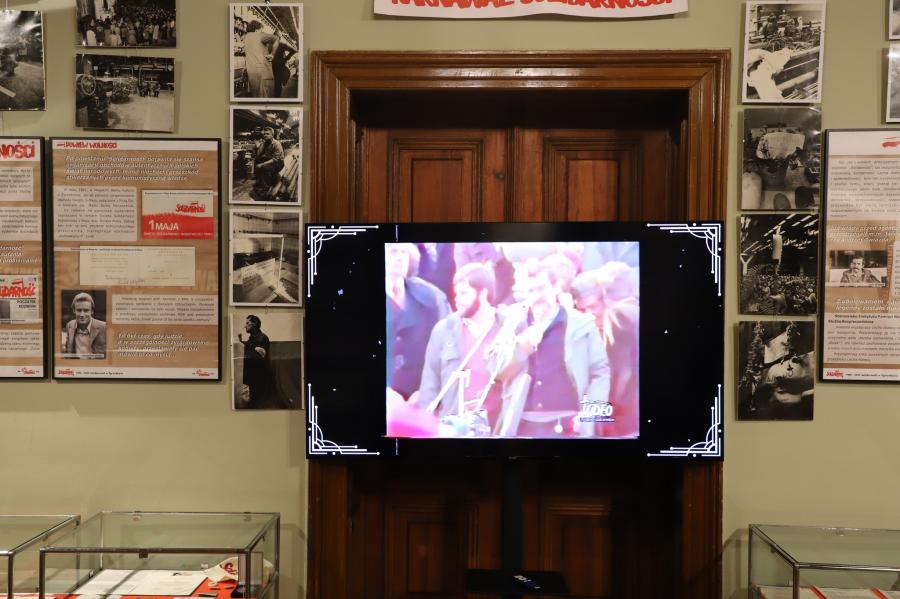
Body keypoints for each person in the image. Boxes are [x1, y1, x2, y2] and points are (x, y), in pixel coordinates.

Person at [497, 264, 610, 437]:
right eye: (531, 291)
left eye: (541, 288)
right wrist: (522, 346)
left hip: (569, 425)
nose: (537, 296)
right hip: (523, 425)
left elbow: (600, 372)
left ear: (556, 287)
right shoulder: (514, 323)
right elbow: (496, 370)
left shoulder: (582, 324)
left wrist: (589, 415)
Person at [415, 263, 506, 435]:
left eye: (464, 293)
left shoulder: (507, 326)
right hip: (453, 429)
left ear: (483, 294)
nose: (457, 299)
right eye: (456, 293)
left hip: (496, 429)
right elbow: (429, 388)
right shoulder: (444, 330)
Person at [385, 243, 450, 400]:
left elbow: (442, 345)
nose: (400, 257)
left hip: (421, 394)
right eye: (393, 252)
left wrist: (426, 390)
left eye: (404, 252)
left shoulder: (428, 295)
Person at [238, 314, 275, 408]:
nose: (245, 326)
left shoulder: (261, 338)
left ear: (254, 324)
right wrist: (241, 343)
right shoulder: (253, 338)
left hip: (257, 379)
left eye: (247, 323)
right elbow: (251, 349)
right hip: (252, 378)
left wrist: (241, 355)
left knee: (255, 403)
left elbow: (257, 357)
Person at [64, 292, 106, 359]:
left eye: (86, 310)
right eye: (79, 310)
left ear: (92, 311)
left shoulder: (104, 327)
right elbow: (68, 351)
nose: (82, 315)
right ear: (74, 311)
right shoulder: (69, 325)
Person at [242, 20, 277, 98]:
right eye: (261, 30)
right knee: (266, 96)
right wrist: (272, 54)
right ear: (256, 30)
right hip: (263, 71)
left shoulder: (245, 37)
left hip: (252, 72)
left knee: (256, 95)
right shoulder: (260, 36)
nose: (262, 32)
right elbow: (276, 39)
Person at [252, 127, 285, 200]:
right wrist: (257, 147)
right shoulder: (264, 143)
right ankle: (261, 180)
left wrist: (262, 164)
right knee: (257, 160)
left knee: (264, 168)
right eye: (264, 134)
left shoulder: (276, 143)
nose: (265, 135)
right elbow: (258, 155)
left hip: (278, 163)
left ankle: (265, 190)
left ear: (272, 135)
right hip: (270, 160)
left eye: (267, 134)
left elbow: (275, 159)